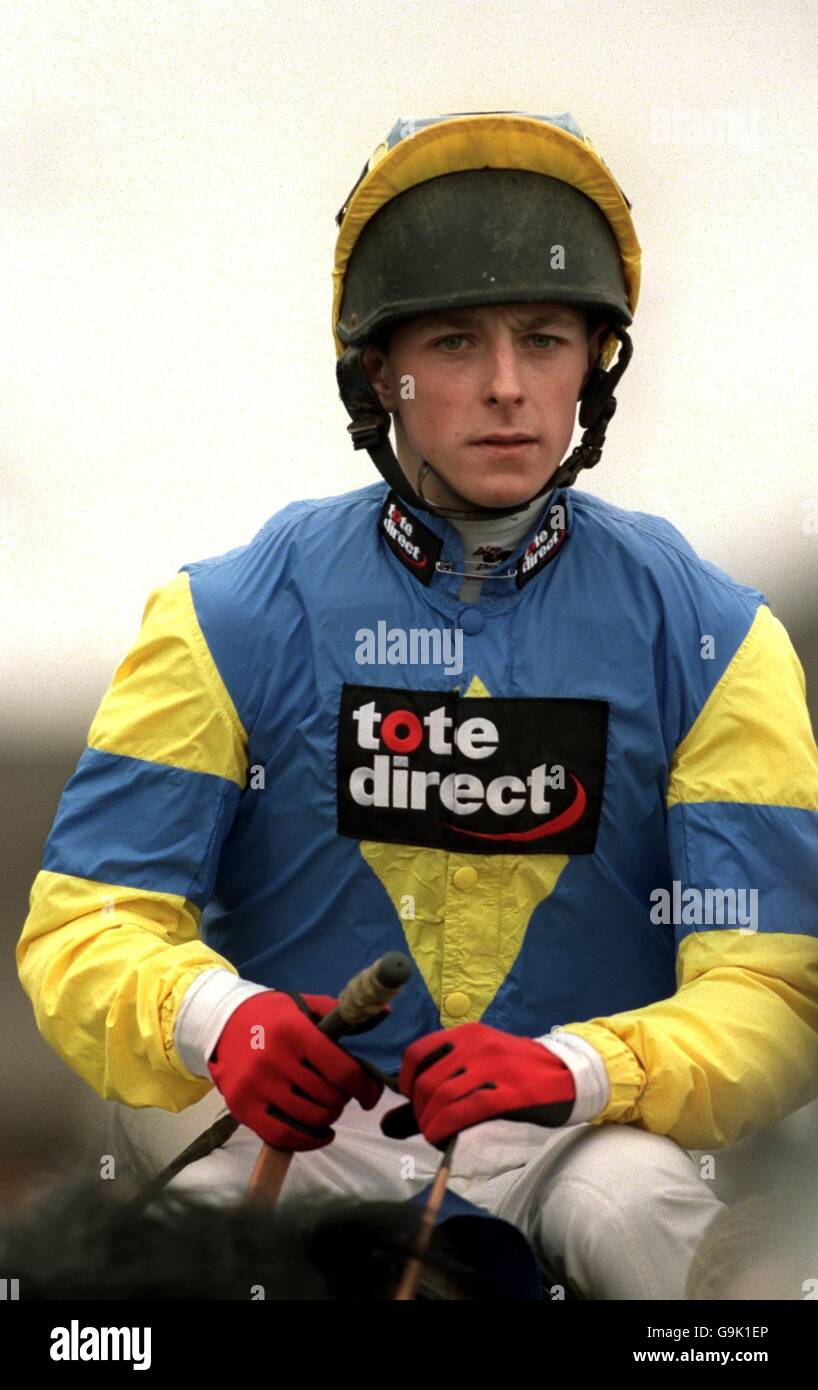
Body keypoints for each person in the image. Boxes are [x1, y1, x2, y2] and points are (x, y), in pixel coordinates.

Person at [17, 111, 818, 1300]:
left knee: (642, 1209)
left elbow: (772, 986)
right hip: (281, 1132)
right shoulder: (222, 617)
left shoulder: (715, 638)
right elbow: (85, 923)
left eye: (542, 340)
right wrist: (218, 1020)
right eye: (453, 344)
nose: (505, 389)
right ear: (377, 374)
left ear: (590, 365)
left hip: (570, 1145)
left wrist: (577, 1070)